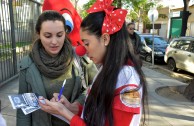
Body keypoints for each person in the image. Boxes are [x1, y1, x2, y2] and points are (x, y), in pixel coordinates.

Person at [39, 1, 148, 126]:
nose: (82, 51)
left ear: (105, 39)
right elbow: (96, 113)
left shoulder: (127, 80)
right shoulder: (107, 69)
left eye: (87, 43)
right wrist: (70, 108)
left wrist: (64, 113)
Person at [17, 10, 98, 126]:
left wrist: (76, 105)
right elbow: (23, 110)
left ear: (65, 33)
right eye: (48, 36)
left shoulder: (80, 58)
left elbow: (98, 87)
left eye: (59, 35)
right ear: (38, 34)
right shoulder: (27, 64)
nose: (54, 42)